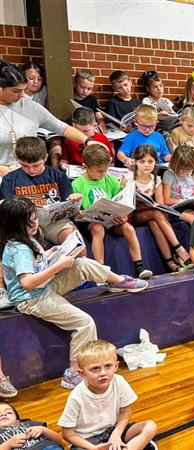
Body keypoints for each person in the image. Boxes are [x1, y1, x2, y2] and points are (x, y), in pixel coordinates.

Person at [0, 197, 147, 389]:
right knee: (84, 323)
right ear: (16, 225)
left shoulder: (26, 239)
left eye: (35, 218)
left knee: (81, 264)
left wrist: (51, 254)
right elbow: (27, 283)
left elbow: (33, 266)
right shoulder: (18, 248)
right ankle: (73, 373)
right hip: (32, 298)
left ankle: (118, 281)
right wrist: (59, 266)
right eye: (30, 221)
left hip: (44, 287)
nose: (36, 223)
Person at [72, 144, 153, 278]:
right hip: (91, 223)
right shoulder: (77, 184)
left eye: (106, 170)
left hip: (111, 220)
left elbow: (120, 201)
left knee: (128, 228)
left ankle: (139, 266)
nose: (103, 174)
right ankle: (100, 270)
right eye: (99, 171)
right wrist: (80, 212)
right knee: (98, 229)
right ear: (85, 167)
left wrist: (123, 216)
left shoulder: (109, 179)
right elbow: (77, 211)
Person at [58, 340, 157, 450]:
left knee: (150, 426)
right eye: (95, 368)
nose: (103, 373)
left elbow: (125, 411)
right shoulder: (76, 396)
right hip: (87, 440)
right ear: (82, 373)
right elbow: (67, 433)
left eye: (108, 366)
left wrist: (117, 434)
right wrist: (92, 448)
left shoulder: (119, 381)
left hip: (113, 430)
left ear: (116, 366)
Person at [0, 60, 89, 177]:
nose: (22, 95)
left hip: (28, 174)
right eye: (16, 91)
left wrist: (88, 141)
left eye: (23, 90)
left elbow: (62, 128)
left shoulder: (30, 106)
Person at [0, 136, 83, 248]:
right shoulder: (9, 179)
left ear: (45, 158)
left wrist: (74, 199)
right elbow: (7, 209)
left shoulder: (58, 176)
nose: (31, 170)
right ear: (18, 160)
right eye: (25, 165)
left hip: (54, 221)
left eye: (36, 165)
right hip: (26, 224)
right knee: (30, 248)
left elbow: (68, 204)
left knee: (77, 246)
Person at [130, 144, 192, 272]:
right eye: (142, 161)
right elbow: (124, 203)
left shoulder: (156, 180)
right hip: (133, 215)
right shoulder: (130, 178)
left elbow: (160, 204)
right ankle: (179, 249)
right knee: (156, 214)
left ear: (155, 162)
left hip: (150, 214)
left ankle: (169, 262)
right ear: (135, 162)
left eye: (150, 161)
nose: (146, 165)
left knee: (155, 221)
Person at [161, 145, 194, 225]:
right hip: (176, 207)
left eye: (188, 169)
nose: (184, 171)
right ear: (175, 164)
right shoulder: (169, 174)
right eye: (181, 168)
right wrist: (184, 201)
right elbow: (167, 200)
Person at [72, 69, 107, 133]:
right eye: (82, 87)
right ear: (75, 83)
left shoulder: (92, 99)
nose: (85, 91)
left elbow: (98, 114)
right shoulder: (70, 96)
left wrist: (102, 123)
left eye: (89, 89)